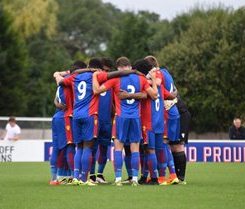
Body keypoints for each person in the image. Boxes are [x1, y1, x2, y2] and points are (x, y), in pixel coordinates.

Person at [93, 56, 158, 186]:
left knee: (118, 149)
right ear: (129, 67)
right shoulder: (141, 79)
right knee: (135, 149)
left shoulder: (116, 79)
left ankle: (118, 179)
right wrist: (154, 81)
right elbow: (154, 95)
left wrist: (94, 77)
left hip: (121, 117)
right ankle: (134, 178)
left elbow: (96, 90)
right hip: (135, 118)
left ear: (119, 68)